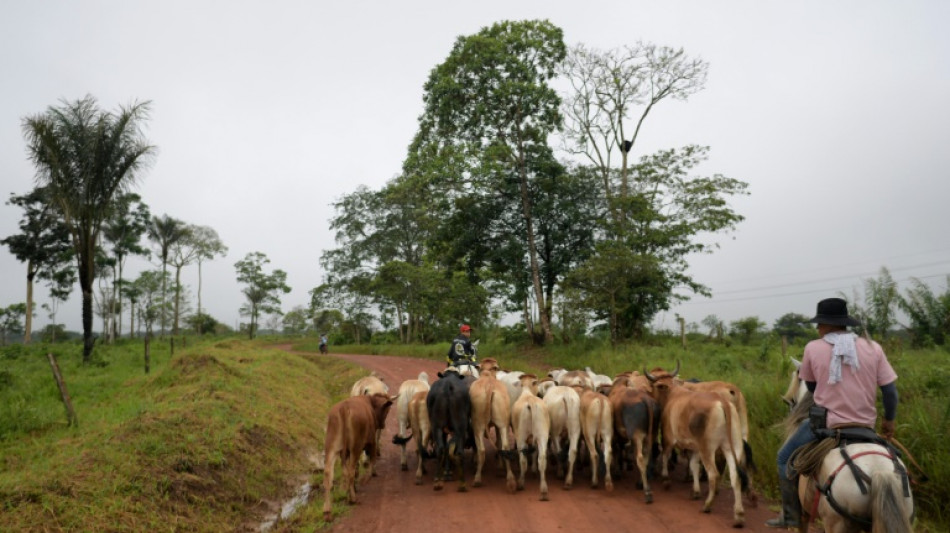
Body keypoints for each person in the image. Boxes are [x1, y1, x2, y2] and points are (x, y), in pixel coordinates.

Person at [766, 297, 899, 528]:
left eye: (819, 325)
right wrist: (889, 422)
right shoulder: (873, 347)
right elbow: (890, 393)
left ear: (826, 324)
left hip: (827, 425)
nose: (818, 329)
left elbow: (812, 387)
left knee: (783, 458)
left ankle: (790, 516)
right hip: (866, 428)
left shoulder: (813, 348)